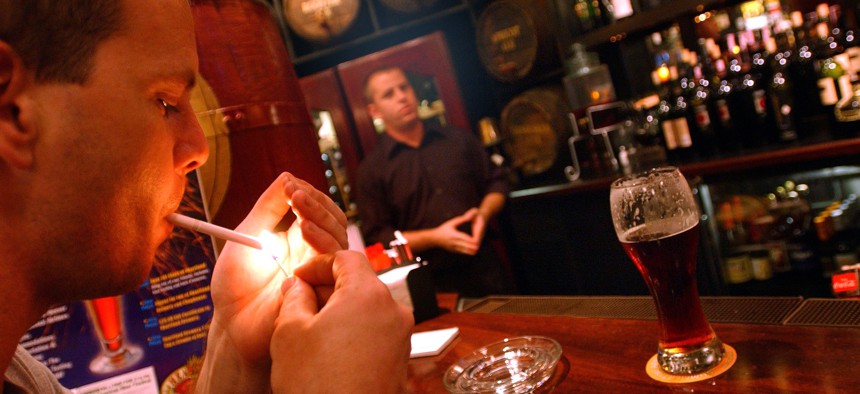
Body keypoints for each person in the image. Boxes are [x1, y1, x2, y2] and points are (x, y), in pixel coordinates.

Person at [0, 1, 413, 392]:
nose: (199, 148)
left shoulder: (25, 378)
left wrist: (234, 346)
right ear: (12, 111)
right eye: (164, 102)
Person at [355, 66, 516, 298]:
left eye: (404, 87)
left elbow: (497, 182)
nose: (402, 97)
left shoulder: (458, 140)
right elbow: (378, 237)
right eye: (388, 94)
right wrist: (436, 237)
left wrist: (483, 214)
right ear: (374, 111)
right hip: (428, 282)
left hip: (484, 266)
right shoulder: (371, 170)